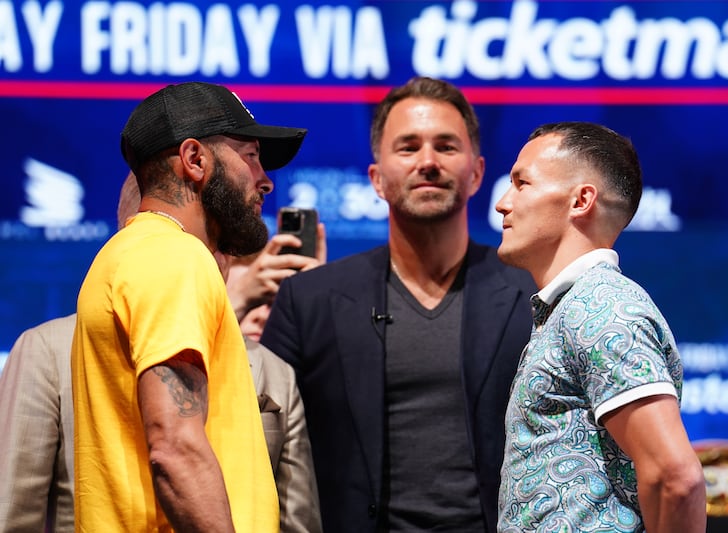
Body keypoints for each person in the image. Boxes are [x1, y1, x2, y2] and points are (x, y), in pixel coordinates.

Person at [261, 76, 537, 532]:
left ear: (477, 173)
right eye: (408, 147)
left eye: (446, 146)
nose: (427, 162)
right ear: (376, 178)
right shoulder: (309, 300)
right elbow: (263, 452)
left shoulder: (534, 295)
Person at [0, 171, 323, 533]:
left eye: (221, 237)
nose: (205, 252)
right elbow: (12, 511)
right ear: (132, 231)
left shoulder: (273, 371)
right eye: (189, 233)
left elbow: (298, 522)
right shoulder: (46, 350)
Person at [70, 81, 307, 532]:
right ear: (195, 160)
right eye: (251, 156)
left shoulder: (127, 254)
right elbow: (175, 447)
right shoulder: (173, 256)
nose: (266, 180)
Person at [494, 121, 706, 532]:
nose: (504, 203)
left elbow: (676, 478)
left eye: (522, 184)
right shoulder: (571, 308)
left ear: (581, 200)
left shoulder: (601, 308)